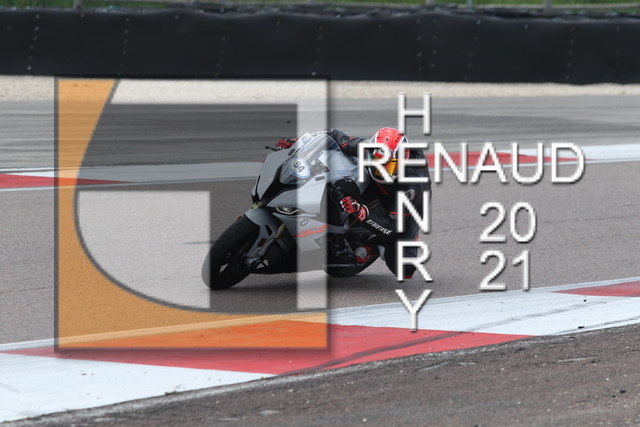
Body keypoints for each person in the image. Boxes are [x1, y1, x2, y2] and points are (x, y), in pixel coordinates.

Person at [277, 128, 431, 280]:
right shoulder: (367, 148)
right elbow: (333, 134)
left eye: (388, 167)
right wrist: (298, 143)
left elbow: (392, 227)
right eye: (376, 163)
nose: (380, 171)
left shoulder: (412, 185)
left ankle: (374, 246)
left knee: (405, 269)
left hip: (404, 207)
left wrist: (362, 212)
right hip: (375, 187)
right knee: (338, 179)